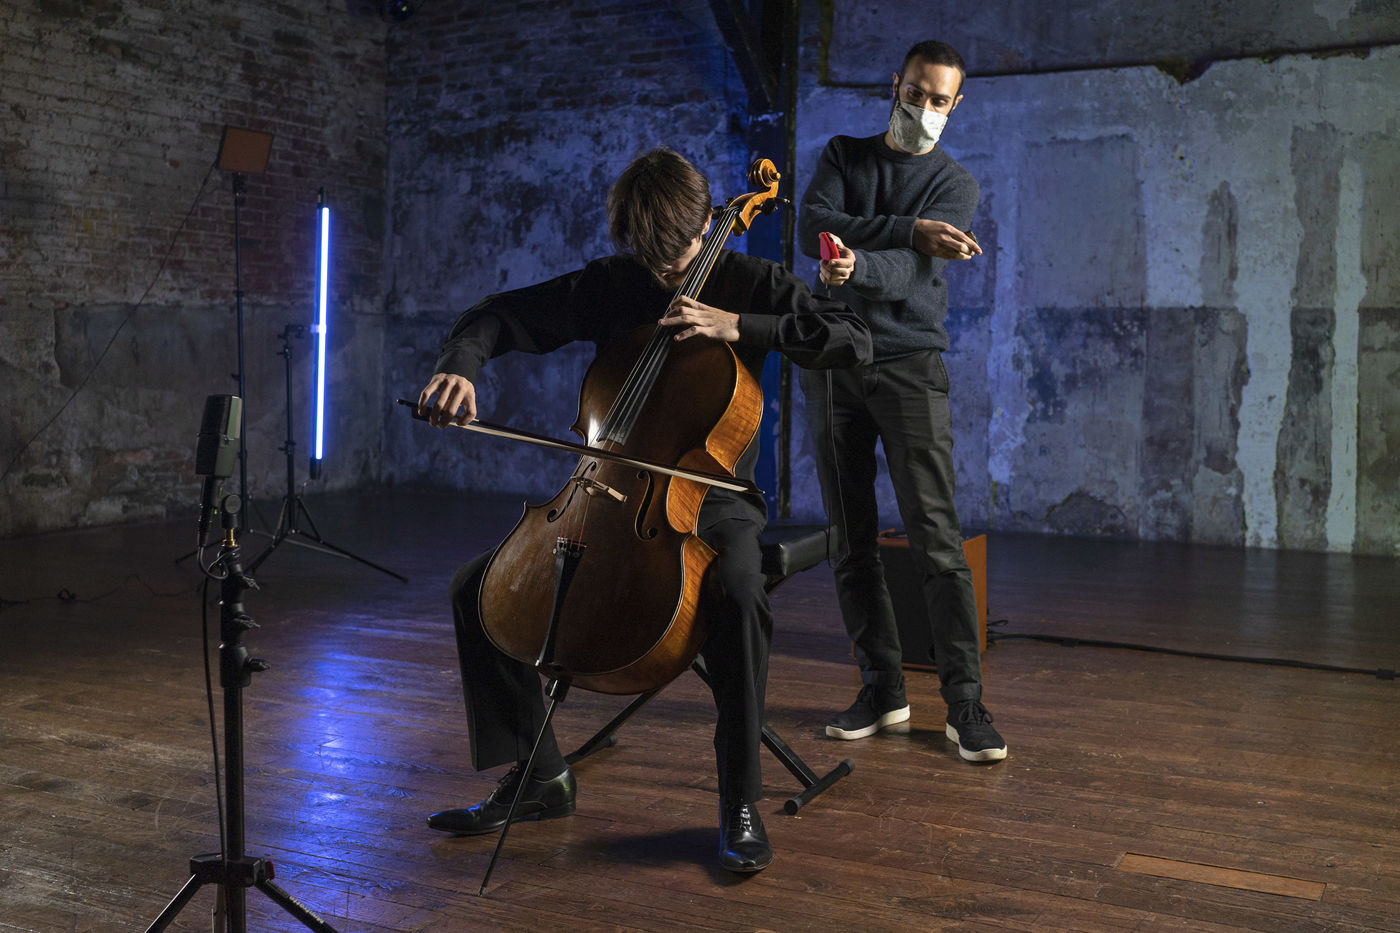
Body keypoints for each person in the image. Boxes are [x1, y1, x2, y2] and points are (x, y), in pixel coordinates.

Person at [416, 147, 872, 872]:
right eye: (647, 259)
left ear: (706, 224)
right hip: (606, 490)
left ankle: (740, 800)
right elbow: (500, 315)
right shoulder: (614, 283)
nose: (662, 274)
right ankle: (539, 776)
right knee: (476, 587)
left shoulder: (751, 281)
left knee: (741, 593)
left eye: (675, 256)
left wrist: (740, 327)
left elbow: (851, 337)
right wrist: (459, 366)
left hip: (715, 500)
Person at [796, 40, 1007, 763]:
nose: (923, 107)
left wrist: (863, 258)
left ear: (956, 104)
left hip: (909, 367)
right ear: (896, 85)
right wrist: (907, 229)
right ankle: (882, 689)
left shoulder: (955, 185)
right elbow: (810, 227)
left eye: (938, 99)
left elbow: (912, 274)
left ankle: (965, 702)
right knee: (849, 537)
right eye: (915, 92)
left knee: (936, 540)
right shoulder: (843, 155)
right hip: (832, 364)